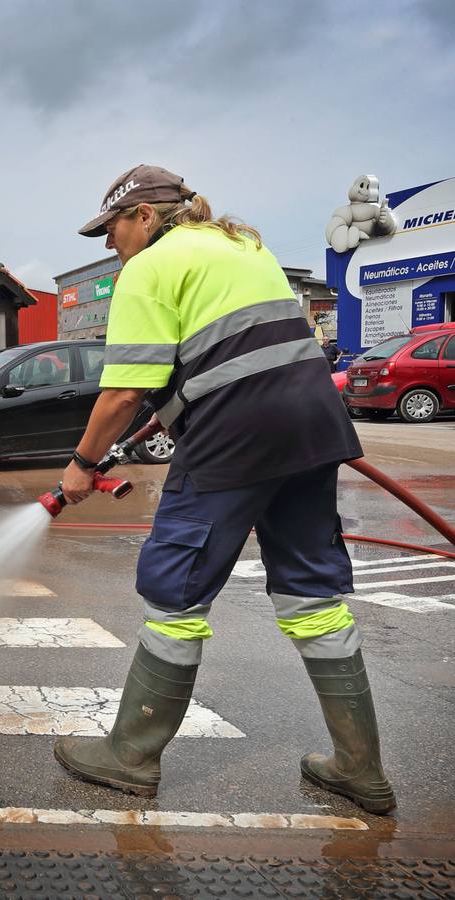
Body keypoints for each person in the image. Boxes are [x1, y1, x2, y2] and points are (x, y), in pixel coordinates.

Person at [52, 165, 394, 814]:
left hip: (234, 437)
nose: (107, 243)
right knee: (311, 590)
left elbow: (123, 389)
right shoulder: (243, 245)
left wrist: (79, 466)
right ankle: (359, 767)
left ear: (146, 217)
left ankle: (129, 756)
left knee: (174, 589)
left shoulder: (148, 269)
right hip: (315, 425)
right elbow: (239, 346)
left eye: (113, 226)